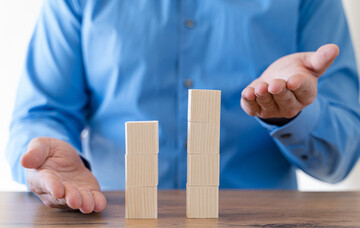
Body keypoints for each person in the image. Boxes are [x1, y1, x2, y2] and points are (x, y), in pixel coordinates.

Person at [6, 0, 360, 214]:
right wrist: (47, 158)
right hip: (109, 219)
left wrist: (292, 111)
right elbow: (42, 113)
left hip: (258, 225)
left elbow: (340, 157)